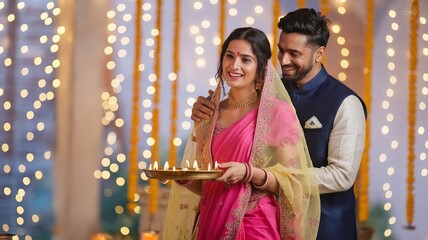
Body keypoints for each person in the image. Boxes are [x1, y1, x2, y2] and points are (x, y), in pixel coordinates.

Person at [191, 9, 367, 240]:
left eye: (294, 53)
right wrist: (205, 113)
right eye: (281, 50)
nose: (283, 60)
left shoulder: (345, 102)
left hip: (326, 225)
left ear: (319, 53)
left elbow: (342, 176)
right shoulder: (266, 93)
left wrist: (266, 176)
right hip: (266, 222)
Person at [163, 27, 320, 240]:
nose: (234, 65)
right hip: (211, 223)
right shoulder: (209, 112)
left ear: (261, 67)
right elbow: (210, 187)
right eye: (229, 56)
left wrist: (249, 173)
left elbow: (296, 185)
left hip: (254, 226)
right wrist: (184, 179)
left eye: (246, 59)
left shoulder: (276, 113)